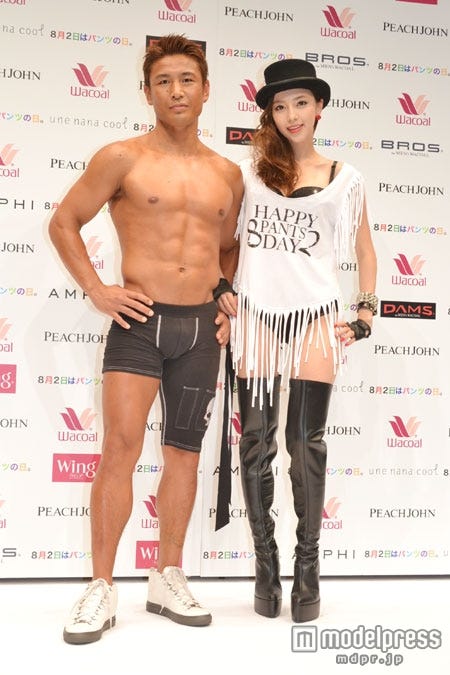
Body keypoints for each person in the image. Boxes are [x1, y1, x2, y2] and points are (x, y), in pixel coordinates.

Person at [48, 33, 243, 643]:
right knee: (120, 448)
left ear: (206, 91)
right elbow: (64, 221)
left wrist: (227, 300)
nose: (176, 90)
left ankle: (167, 575)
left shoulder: (228, 174)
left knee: (185, 453)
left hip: (200, 332)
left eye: (187, 80)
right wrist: (98, 290)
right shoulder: (122, 158)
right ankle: (100, 587)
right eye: (164, 81)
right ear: (147, 92)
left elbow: (229, 248)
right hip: (138, 323)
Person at [217, 59, 377, 623]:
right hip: (257, 316)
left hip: (314, 317)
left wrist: (365, 312)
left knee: (306, 441)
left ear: (319, 107)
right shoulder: (248, 173)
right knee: (255, 441)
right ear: (270, 114)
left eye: (300, 103)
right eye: (280, 106)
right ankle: (267, 566)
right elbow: (226, 240)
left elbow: (364, 250)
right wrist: (221, 289)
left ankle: (308, 569)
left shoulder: (347, 177)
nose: (291, 115)